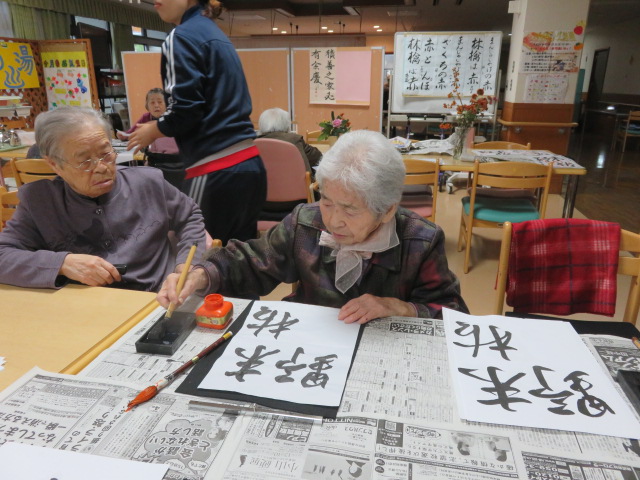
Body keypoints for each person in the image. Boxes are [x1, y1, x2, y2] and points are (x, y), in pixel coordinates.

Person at [157, 130, 468, 323]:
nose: (333, 220)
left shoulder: (419, 241)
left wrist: (400, 308)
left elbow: (454, 313)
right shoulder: (306, 221)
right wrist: (200, 275)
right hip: (310, 345)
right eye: (328, 200)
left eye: (350, 209)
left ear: (386, 211)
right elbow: (252, 262)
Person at [0, 107, 206, 291]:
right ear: (54, 165)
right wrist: (62, 263)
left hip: (155, 298)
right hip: (86, 310)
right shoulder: (40, 201)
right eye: (85, 161)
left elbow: (190, 217)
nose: (101, 167)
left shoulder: (148, 182)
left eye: (106, 153)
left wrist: (185, 266)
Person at [127, 0, 266, 244]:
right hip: (249, 165)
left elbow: (186, 109)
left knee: (198, 258)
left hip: (215, 168)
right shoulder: (215, 34)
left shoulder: (180, 36)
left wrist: (154, 129)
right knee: (238, 264)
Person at [257, 108, 322, 171]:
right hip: (297, 181)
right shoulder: (294, 139)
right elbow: (317, 157)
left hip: (262, 181)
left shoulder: (254, 142)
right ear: (286, 124)